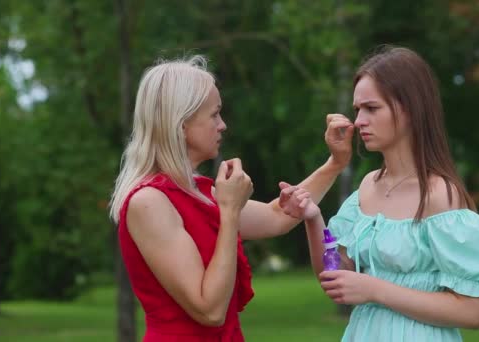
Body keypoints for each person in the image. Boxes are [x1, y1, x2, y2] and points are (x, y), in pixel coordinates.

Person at [108, 56, 353, 342]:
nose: (222, 125)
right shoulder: (149, 201)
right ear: (181, 122)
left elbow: (280, 216)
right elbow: (209, 310)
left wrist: (335, 163)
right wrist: (229, 210)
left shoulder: (197, 191)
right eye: (214, 115)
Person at [280, 46, 479, 341]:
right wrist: (313, 219)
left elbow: (471, 312)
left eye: (372, 108)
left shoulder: (440, 195)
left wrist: (375, 290)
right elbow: (335, 279)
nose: (358, 121)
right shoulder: (368, 186)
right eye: (357, 110)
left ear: (409, 109)